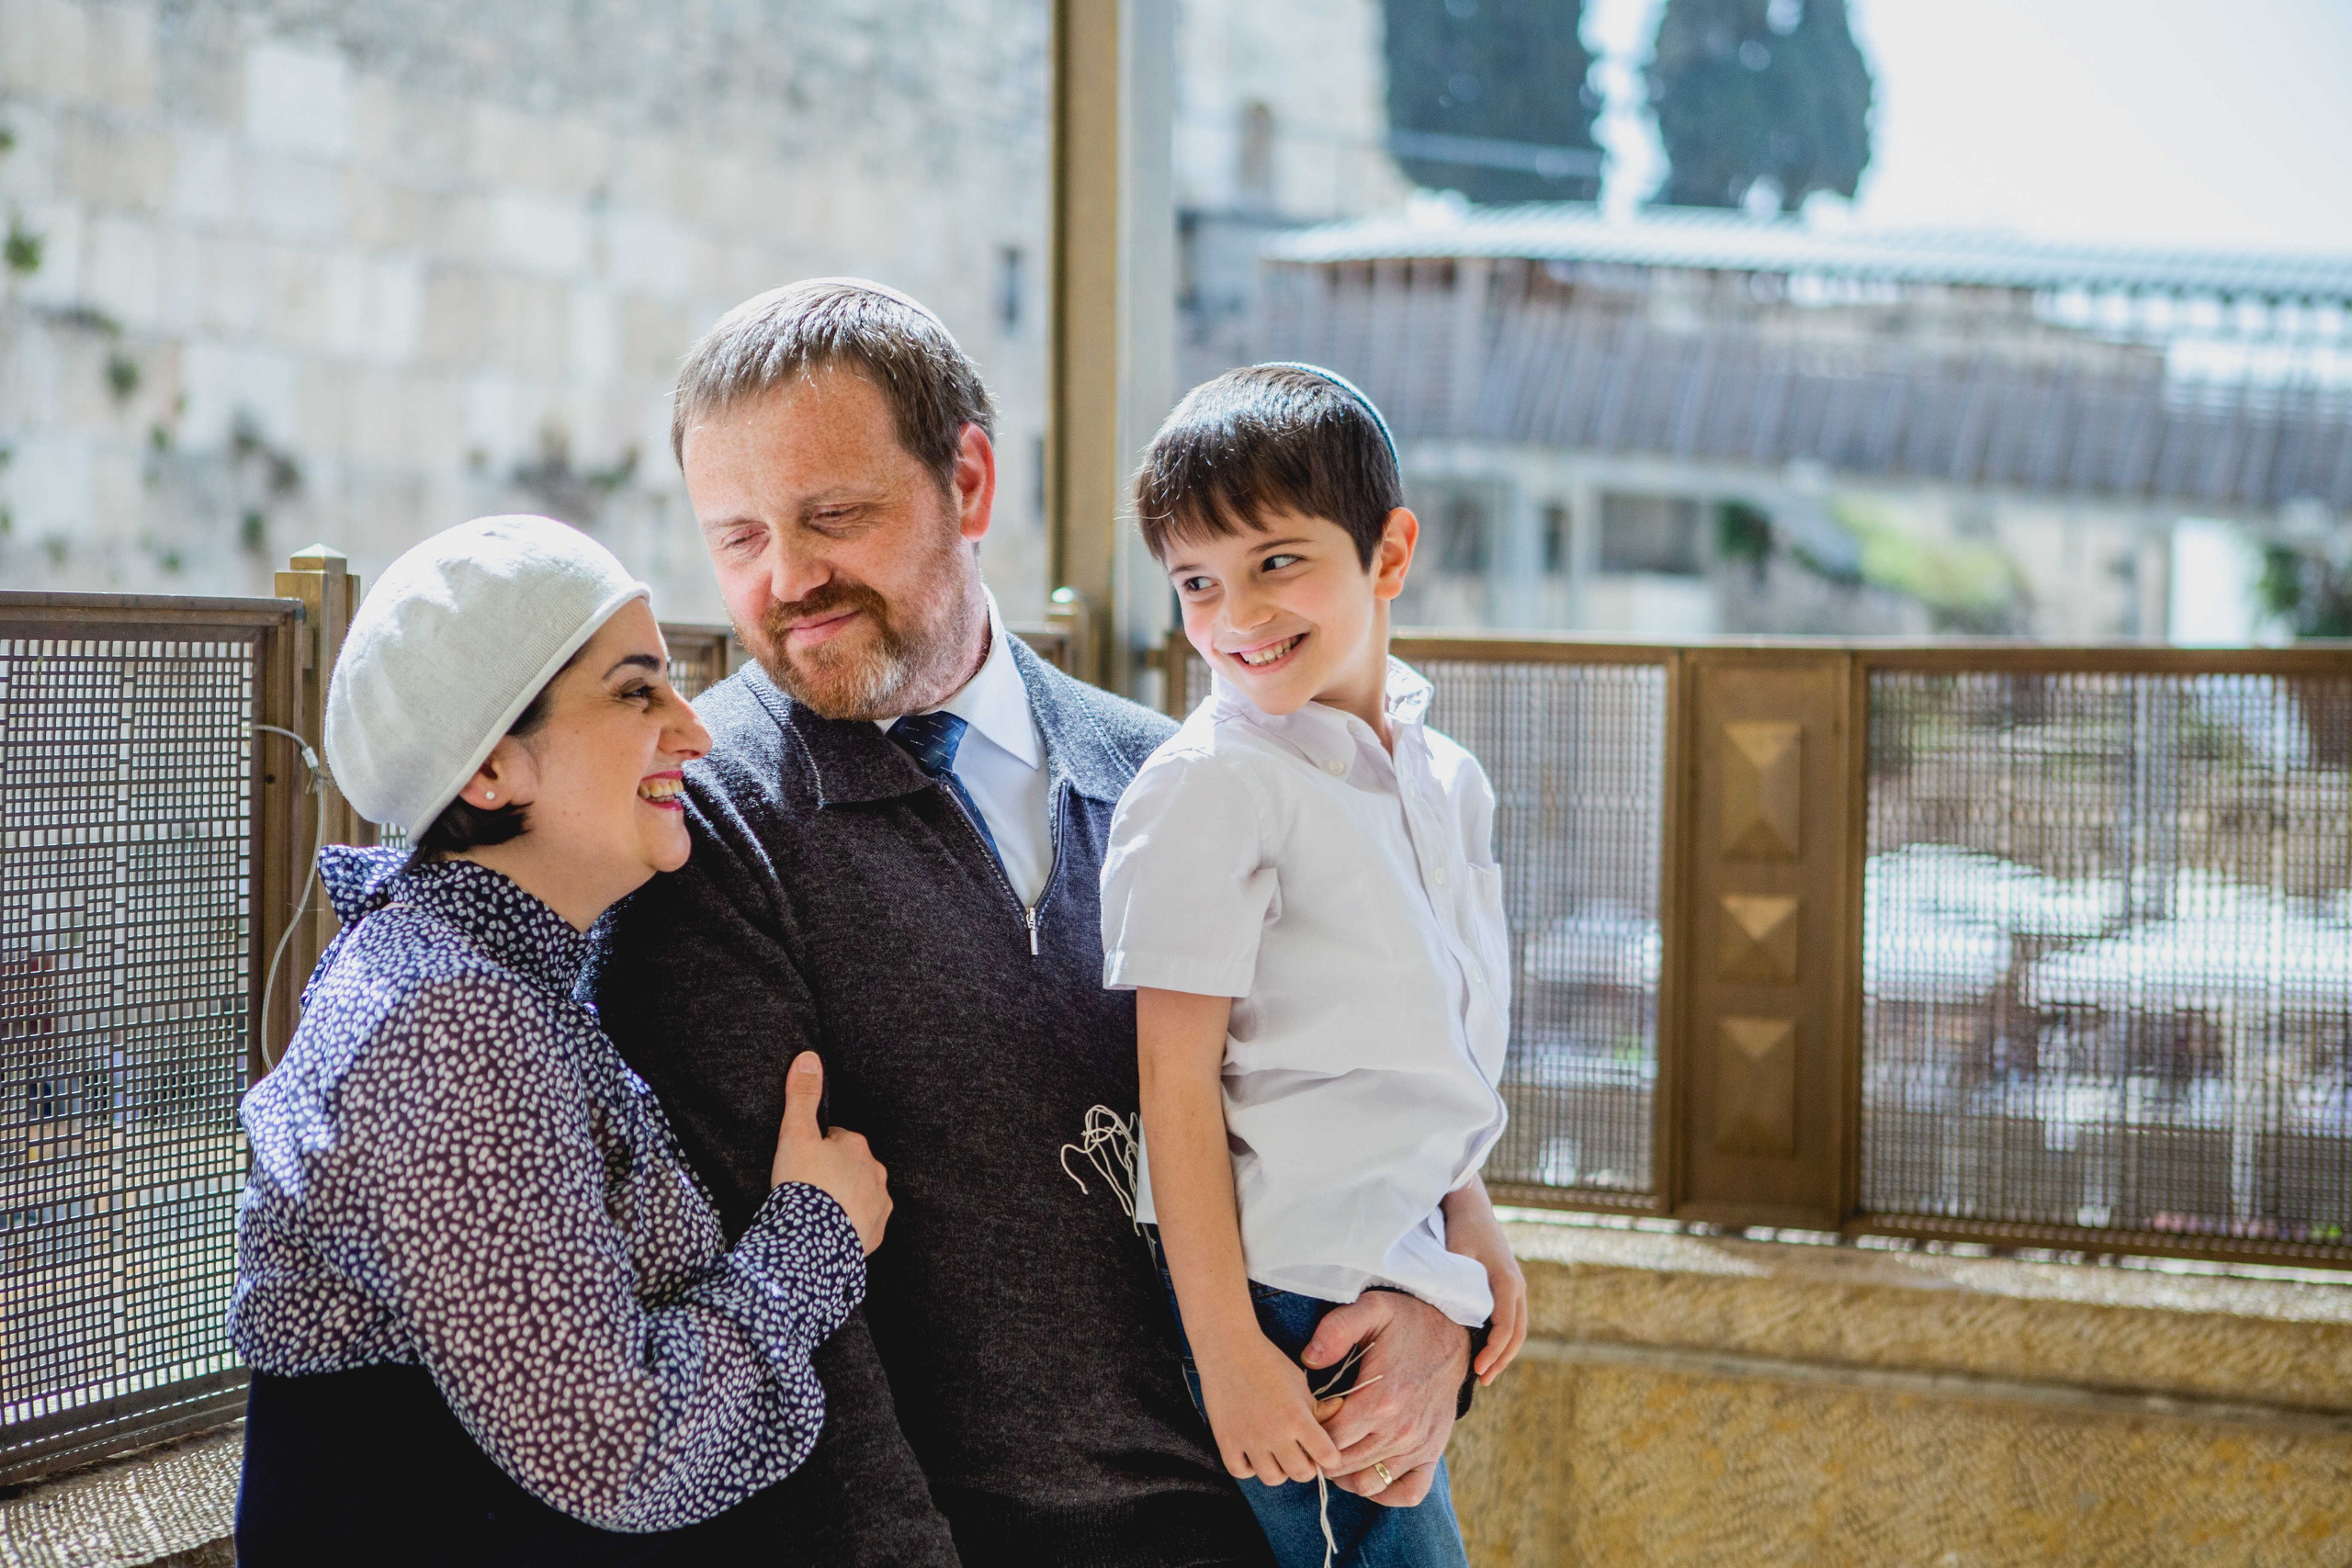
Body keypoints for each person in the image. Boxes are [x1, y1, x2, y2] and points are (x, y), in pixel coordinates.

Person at [588, 280, 1483, 1568]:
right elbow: (781, 1325)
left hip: (1272, 1511)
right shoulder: (705, 827)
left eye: (834, 515)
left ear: (969, 480)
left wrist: (1435, 1317)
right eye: (737, 538)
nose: (788, 579)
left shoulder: (1175, 767)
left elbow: (1362, 1077)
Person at [229, 515, 893, 1566]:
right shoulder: (450, 1023)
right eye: (637, 691)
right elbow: (616, 1451)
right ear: (490, 770)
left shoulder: (480, 974)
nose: (695, 729)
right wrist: (813, 1234)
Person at [1099, 365, 1528, 1567]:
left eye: (1277, 560)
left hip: (1395, 1256)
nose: (1236, 613)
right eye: (1197, 580)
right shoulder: (1209, 784)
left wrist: (1469, 1210)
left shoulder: (1446, 777)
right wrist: (1229, 1349)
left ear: (1389, 551)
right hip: (1285, 1297)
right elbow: (1173, 1091)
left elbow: (1412, 1049)